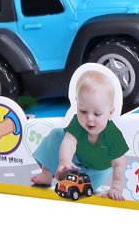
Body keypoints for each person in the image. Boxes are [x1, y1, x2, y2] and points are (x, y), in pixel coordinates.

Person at [30, 68, 128, 201]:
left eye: (97, 114)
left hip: (96, 171)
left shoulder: (113, 135)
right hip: (75, 160)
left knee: (84, 184)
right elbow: (69, 142)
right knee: (57, 134)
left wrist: (116, 187)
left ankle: (69, 177)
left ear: (110, 113)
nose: (89, 118)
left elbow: (119, 165)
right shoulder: (78, 122)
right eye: (83, 111)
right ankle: (48, 172)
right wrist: (65, 161)